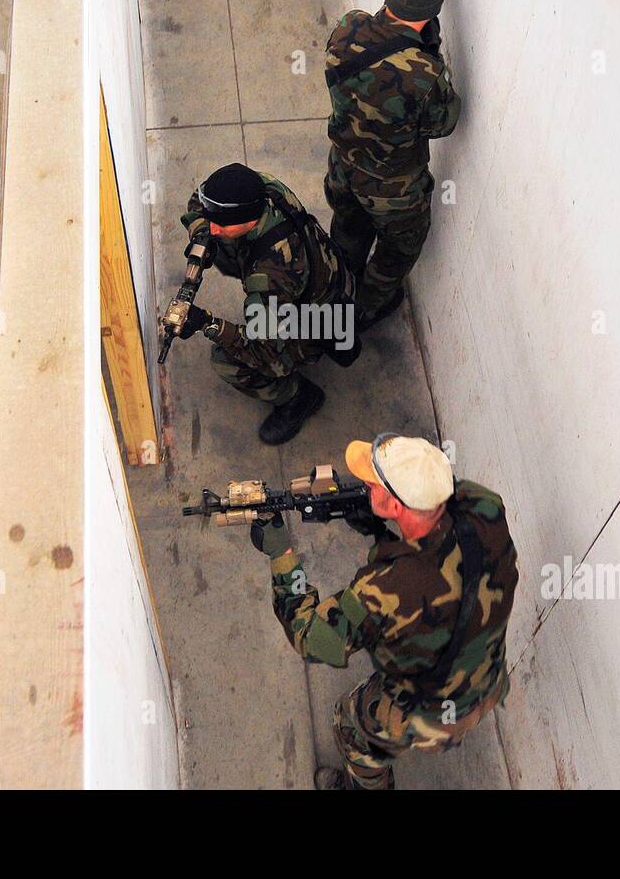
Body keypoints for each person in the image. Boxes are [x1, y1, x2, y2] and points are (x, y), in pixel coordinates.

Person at [249, 434, 518, 789]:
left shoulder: (382, 592)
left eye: (371, 483)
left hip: (436, 714)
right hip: (488, 677)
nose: (363, 484)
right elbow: (443, 560)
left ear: (394, 505)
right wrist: (380, 531)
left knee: (349, 723)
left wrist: (281, 554)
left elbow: (312, 638)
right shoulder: (484, 505)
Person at [323, 0, 462, 329]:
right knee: (399, 250)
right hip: (393, 192)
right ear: (433, 9)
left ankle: (338, 285)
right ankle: (365, 308)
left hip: (344, 168)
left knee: (348, 226)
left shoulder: (347, 28)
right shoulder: (425, 75)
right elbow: (445, 122)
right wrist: (430, 56)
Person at [174, 162, 357, 445]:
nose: (214, 227)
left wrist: (208, 323)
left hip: (316, 318)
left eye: (221, 223)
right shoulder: (264, 188)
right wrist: (202, 233)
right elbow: (200, 200)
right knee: (220, 245)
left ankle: (299, 398)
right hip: (328, 275)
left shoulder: (269, 277)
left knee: (225, 361)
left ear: (246, 220)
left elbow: (263, 352)